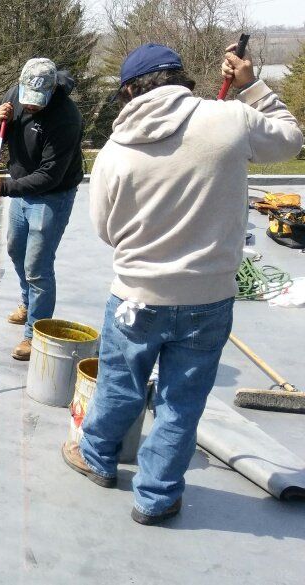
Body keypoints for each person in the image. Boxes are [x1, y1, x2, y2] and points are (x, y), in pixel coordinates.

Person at [62, 43, 303, 525]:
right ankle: (156, 496)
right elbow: (291, 140)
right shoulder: (229, 119)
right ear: (181, 80)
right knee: (181, 402)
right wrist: (251, 86)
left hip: (136, 295)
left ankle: (96, 456)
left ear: (130, 91)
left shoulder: (114, 151)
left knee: (120, 383)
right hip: (208, 298)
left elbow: (107, 230)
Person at [0, 58, 85, 361]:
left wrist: (5, 188)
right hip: (21, 190)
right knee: (16, 250)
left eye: (38, 103)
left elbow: (49, 175)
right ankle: (28, 304)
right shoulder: (16, 92)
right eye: (28, 101)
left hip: (53, 195)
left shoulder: (67, 117)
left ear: (53, 91)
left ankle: (34, 333)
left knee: (38, 267)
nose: (32, 107)